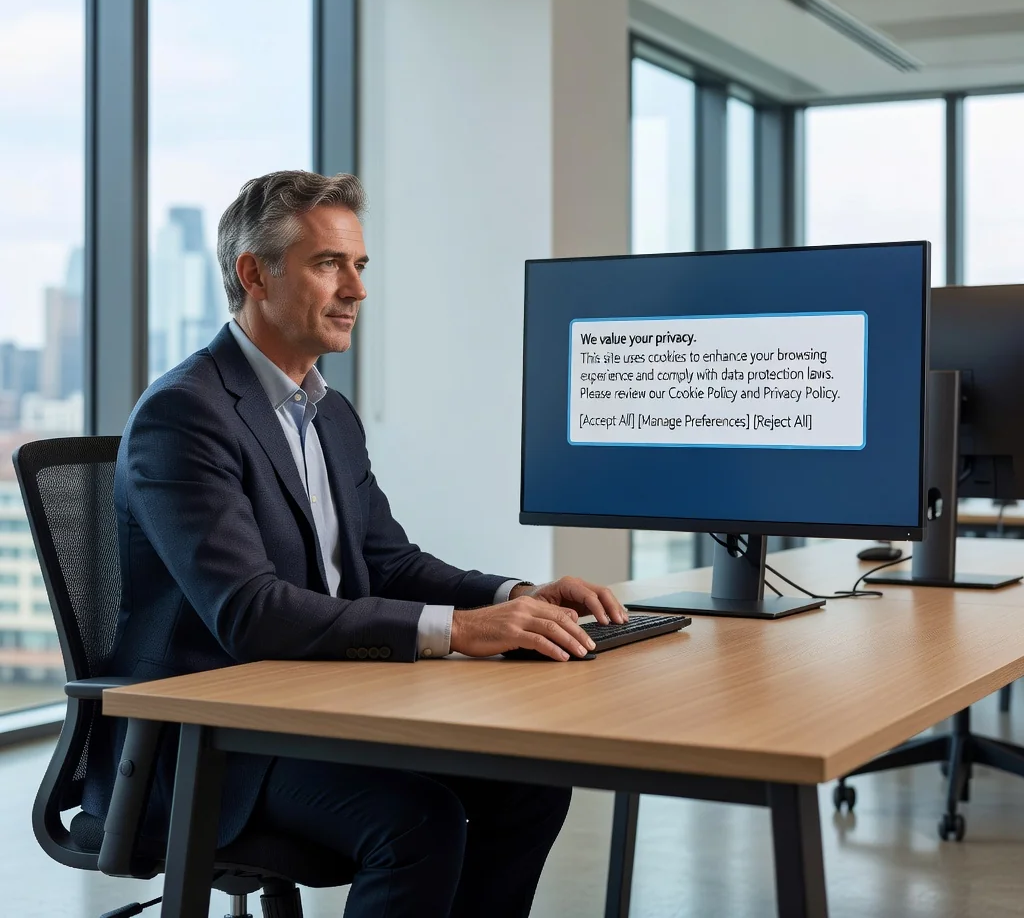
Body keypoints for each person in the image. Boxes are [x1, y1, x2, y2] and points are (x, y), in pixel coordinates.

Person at [84, 170, 629, 918]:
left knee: (529, 782)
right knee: (415, 820)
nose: (356, 290)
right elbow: (250, 612)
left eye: (360, 265)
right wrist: (460, 633)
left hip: (319, 707)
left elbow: (387, 563)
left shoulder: (328, 412)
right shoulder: (185, 414)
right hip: (212, 740)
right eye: (328, 264)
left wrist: (513, 598)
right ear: (254, 274)